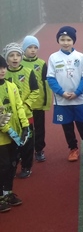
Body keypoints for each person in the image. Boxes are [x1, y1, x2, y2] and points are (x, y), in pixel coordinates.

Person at [46, 26, 83, 161]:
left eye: (69, 39)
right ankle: (73, 149)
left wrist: (78, 92)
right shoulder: (53, 58)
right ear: (58, 41)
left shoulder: (80, 57)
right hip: (62, 101)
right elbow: (51, 78)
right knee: (67, 127)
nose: (65, 42)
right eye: (62, 39)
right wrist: (61, 92)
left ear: (73, 41)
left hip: (79, 99)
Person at [3, 43, 38, 178]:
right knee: (12, 142)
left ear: (21, 57)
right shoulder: (4, 74)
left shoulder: (29, 72)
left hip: (26, 115)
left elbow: (35, 91)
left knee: (27, 142)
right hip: (10, 117)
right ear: (7, 59)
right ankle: (12, 165)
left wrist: (26, 105)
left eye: (18, 55)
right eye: (11, 55)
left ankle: (26, 166)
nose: (15, 58)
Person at [0, 56, 29, 211]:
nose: (2, 70)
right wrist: (9, 131)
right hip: (2, 138)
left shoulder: (11, 86)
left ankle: (8, 193)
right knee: (2, 166)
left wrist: (25, 126)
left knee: (12, 165)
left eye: (4, 67)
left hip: (14, 135)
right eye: (0, 68)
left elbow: (18, 107)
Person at [21, 35, 52, 163]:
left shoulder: (41, 64)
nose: (33, 50)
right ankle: (24, 152)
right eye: (29, 47)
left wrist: (46, 102)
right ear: (24, 49)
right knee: (26, 129)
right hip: (23, 106)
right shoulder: (19, 63)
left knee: (39, 129)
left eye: (35, 47)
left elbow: (46, 84)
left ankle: (39, 150)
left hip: (38, 104)